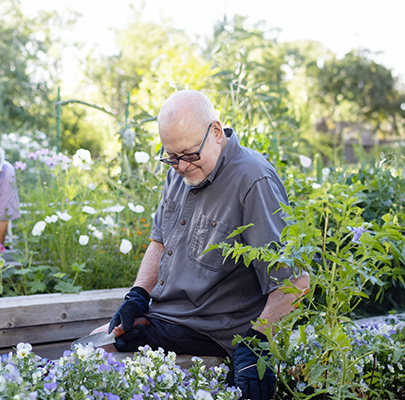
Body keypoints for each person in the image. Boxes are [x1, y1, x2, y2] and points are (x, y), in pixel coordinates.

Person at [92, 91, 310, 400]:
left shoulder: (253, 180)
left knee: (99, 360)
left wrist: (257, 343)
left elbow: (296, 282)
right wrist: (137, 296)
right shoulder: (179, 172)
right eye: (171, 156)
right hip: (167, 318)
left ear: (217, 133)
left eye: (189, 154)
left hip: (213, 332)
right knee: (91, 348)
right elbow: (159, 242)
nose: (180, 166)